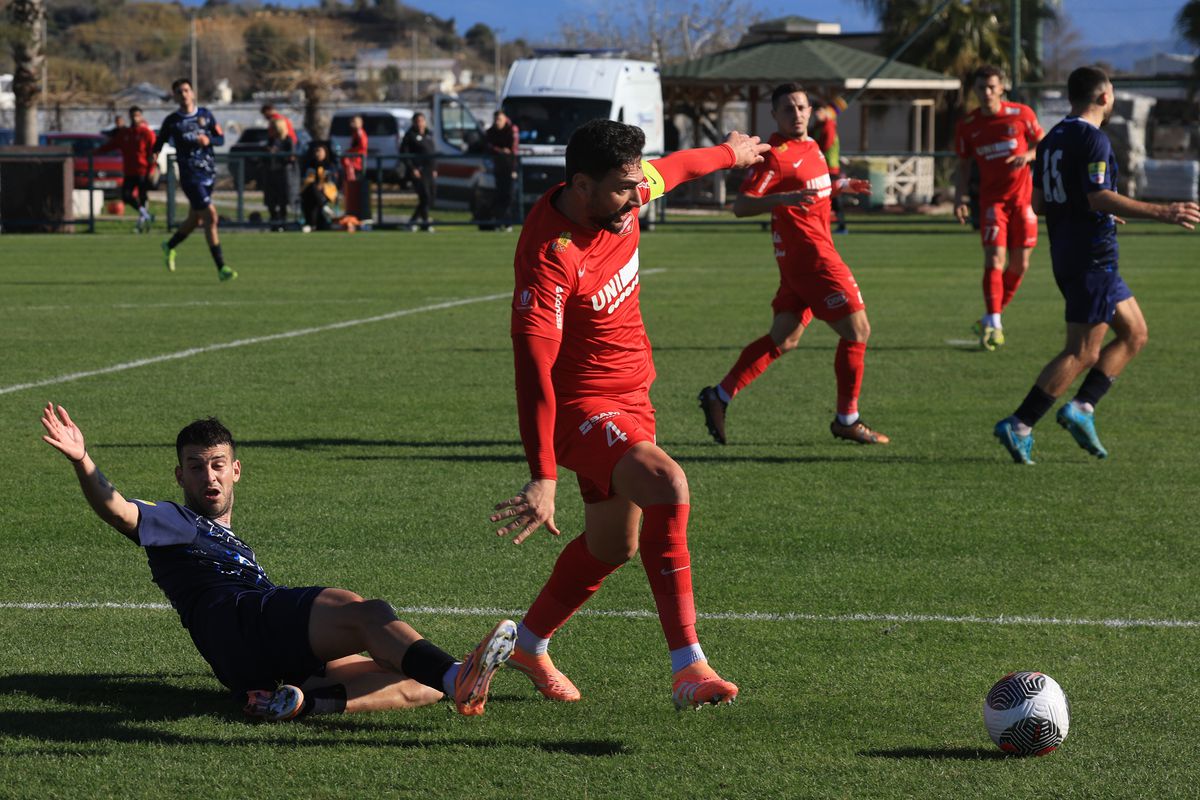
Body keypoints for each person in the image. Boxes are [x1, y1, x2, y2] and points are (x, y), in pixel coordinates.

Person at [490, 119, 769, 710]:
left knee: (613, 546)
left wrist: (731, 152)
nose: (635, 195)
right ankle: (688, 665)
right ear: (581, 186)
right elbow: (533, 371)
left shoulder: (624, 191)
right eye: (622, 187)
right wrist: (543, 475)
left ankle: (529, 646)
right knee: (667, 483)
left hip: (634, 398)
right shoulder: (549, 256)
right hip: (581, 408)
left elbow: (678, 167)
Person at [39, 403, 516, 720]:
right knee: (363, 610)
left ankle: (301, 705)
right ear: (180, 476)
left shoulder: (233, 541)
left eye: (217, 464)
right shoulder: (175, 520)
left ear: (236, 470)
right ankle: (460, 676)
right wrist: (83, 460)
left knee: (421, 681)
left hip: (247, 664)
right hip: (240, 620)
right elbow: (119, 511)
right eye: (196, 467)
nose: (209, 476)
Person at [993, 66, 1200, 464]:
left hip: (1072, 253)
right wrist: (1164, 211)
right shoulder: (1094, 139)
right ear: (1104, 97)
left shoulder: (1051, 138)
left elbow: (1040, 203)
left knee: (1135, 333)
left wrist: (1094, 210)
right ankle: (1020, 424)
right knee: (1082, 352)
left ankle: (1082, 407)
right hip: (1091, 257)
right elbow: (1098, 196)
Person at [697, 83, 886, 447]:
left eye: (801, 107)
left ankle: (719, 395)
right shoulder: (775, 156)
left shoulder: (812, 145)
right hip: (813, 259)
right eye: (788, 109)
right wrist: (783, 198)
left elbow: (812, 187)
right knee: (858, 331)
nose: (796, 114)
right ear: (775, 115)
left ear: (810, 111)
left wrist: (841, 185)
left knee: (784, 339)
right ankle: (847, 420)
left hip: (803, 261)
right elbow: (742, 205)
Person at [954, 65, 1045, 351]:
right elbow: (963, 166)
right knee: (995, 259)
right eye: (981, 88)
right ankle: (995, 323)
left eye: (992, 87)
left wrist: (1028, 155)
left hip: (1024, 201)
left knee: (1020, 264)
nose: (987, 93)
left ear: (1002, 88)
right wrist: (960, 198)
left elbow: (1044, 145)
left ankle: (990, 316)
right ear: (975, 90)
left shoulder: (1022, 114)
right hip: (992, 203)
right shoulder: (968, 124)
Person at [155, 79, 236, 281]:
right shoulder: (172, 121)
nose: (183, 94)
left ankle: (169, 245)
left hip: (208, 173)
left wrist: (209, 140)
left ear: (192, 93)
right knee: (211, 217)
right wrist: (153, 156)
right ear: (175, 97)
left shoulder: (205, 115)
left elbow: (220, 139)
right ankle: (222, 267)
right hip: (190, 176)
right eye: (179, 92)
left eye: (186, 90)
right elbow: (158, 143)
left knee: (196, 219)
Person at [97, 106, 158, 233]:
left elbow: (153, 153)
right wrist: (95, 152)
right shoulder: (125, 133)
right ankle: (146, 215)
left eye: (137, 116)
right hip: (129, 171)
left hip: (143, 171)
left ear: (141, 117)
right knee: (126, 196)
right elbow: (112, 145)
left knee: (142, 197)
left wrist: (151, 170)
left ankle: (142, 224)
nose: (135, 118)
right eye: (133, 116)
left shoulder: (147, 133)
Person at [811, 97, 847, 234]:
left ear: (825, 111)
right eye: (815, 111)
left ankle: (842, 226)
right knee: (821, 198)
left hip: (830, 168)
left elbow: (824, 146)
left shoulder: (828, 126)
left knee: (835, 198)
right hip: (821, 167)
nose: (816, 114)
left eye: (819, 111)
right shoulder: (818, 126)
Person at [401, 112, 437, 232]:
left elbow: (432, 152)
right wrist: (412, 168)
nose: (420, 124)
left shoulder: (428, 134)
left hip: (429, 171)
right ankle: (425, 223)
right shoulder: (409, 136)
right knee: (425, 196)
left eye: (422, 121)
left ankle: (413, 222)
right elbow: (404, 154)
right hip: (418, 171)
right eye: (417, 121)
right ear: (413, 123)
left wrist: (434, 168)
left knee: (430, 197)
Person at [486, 109, 519, 230]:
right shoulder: (491, 131)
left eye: (499, 119)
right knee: (499, 195)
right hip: (498, 168)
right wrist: (500, 151)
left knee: (509, 195)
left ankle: (508, 222)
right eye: (495, 119)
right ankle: (498, 221)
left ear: (505, 119)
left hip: (510, 168)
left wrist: (513, 169)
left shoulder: (512, 130)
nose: (497, 122)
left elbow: (513, 151)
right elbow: (488, 146)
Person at [263, 117, 298, 231]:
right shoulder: (270, 140)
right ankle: (274, 221)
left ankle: (283, 222)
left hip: (283, 174)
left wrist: (278, 153)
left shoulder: (287, 140)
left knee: (283, 199)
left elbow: (291, 157)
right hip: (270, 173)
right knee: (271, 200)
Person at [300, 142, 340, 230]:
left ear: (325, 153)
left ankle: (310, 224)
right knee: (311, 190)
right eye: (316, 151)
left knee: (314, 193)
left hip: (327, 192)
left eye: (320, 151)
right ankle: (324, 207)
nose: (318, 154)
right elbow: (307, 179)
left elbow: (332, 181)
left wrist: (322, 185)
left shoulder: (330, 165)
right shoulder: (311, 165)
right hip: (312, 192)